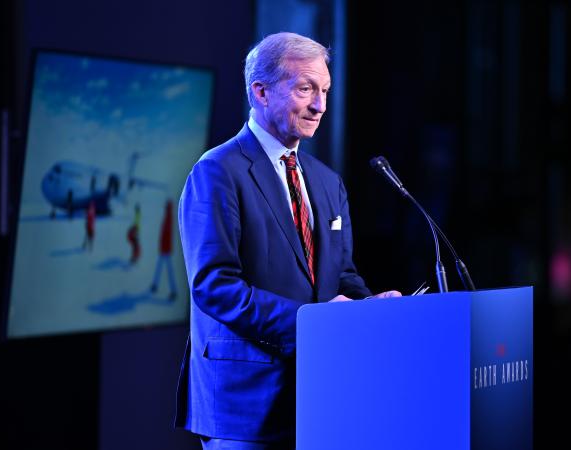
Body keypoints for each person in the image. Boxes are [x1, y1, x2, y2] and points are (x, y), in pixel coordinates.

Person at [175, 32, 401, 450]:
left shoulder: (326, 181)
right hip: (246, 406)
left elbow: (341, 276)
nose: (320, 106)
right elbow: (214, 286)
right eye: (306, 89)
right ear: (260, 91)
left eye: (325, 91)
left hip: (322, 398)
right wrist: (313, 323)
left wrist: (369, 312)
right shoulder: (217, 172)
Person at [150, 199, 177, 300]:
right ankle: (155, 285)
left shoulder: (168, 217)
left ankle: (173, 290)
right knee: (160, 268)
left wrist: (164, 247)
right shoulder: (167, 216)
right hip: (164, 248)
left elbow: (167, 235)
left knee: (169, 271)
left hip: (166, 249)